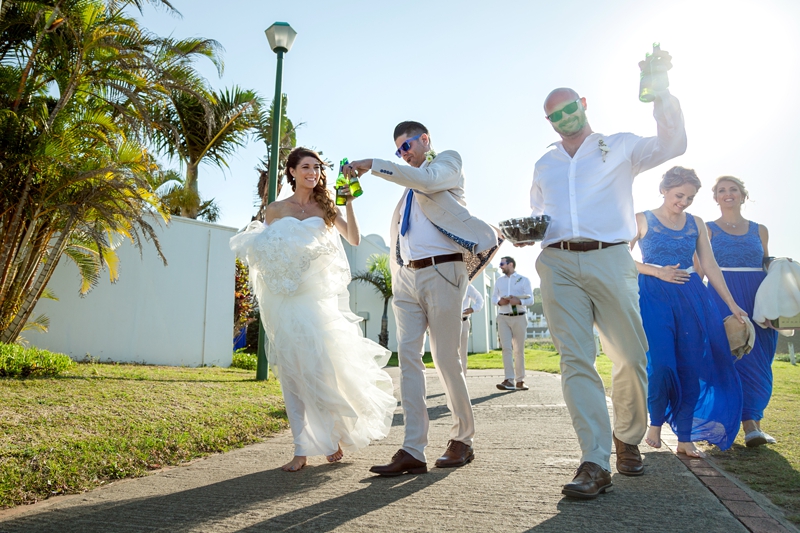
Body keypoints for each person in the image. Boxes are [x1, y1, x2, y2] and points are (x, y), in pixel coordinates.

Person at [527, 49, 687, 499]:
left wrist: (662, 93)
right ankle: (594, 460)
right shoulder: (545, 164)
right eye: (554, 116)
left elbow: (671, 144)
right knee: (576, 359)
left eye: (568, 108)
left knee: (630, 357)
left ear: (583, 102)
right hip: (557, 262)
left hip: (611, 258)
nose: (563, 118)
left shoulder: (619, 146)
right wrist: (527, 233)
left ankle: (627, 438)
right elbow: (539, 213)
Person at [346, 121, 500, 475]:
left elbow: (428, 180)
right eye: (398, 150)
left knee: (447, 359)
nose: (404, 153)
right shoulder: (407, 191)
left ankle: (463, 439)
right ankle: (413, 448)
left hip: (443, 272)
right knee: (408, 362)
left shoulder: (446, 164)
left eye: (407, 145)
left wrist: (373, 163)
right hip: (406, 279)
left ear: (424, 140)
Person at [229, 147, 396, 473]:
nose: (314, 173)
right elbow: (265, 255)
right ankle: (301, 449)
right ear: (291, 171)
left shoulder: (325, 207)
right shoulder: (275, 210)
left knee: (321, 370)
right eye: (306, 167)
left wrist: (349, 204)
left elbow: (354, 239)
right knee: (292, 374)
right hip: (286, 302)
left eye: (317, 168)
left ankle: (333, 436)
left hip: (317, 303)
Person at [631, 167, 745, 459]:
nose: (683, 201)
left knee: (691, 368)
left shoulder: (696, 223)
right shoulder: (641, 219)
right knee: (663, 365)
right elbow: (620, 258)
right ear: (664, 190)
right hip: (654, 296)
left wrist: (731, 304)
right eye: (679, 195)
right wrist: (656, 271)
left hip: (693, 297)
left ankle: (684, 437)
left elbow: (709, 265)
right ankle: (655, 422)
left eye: (690, 197)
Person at [703, 176, 778, 447]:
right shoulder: (708, 230)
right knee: (731, 359)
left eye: (733, 189)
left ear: (743, 195)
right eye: (722, 190)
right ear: (716, 198)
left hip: (758, 300)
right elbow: (701, 270)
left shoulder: (760, 230)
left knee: (759, 360)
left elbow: (767, 266)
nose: (728, 193)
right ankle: (733, 425)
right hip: (723, 297)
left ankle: (754, 424)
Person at [491, 256, 534, 391]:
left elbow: (531, 299)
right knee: (506, 348)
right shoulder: (499, 281)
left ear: (510, 264)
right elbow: (493, 297)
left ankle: (520, 381)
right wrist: (499, 302)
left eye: (502, 263)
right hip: (503, 317)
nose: (500, 266)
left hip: (519, 317)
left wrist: (519, 302)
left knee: (518, 350)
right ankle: (508, 380)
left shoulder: (524, 280)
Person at [459, 283, 484, 376]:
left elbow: (480, 300)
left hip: (463, 321)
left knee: (462, 353)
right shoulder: (445, 284)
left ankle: (462, 380)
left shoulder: (467, 286)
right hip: (449, 323)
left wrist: (473, 309)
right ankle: (451, 382)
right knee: (449, 353)